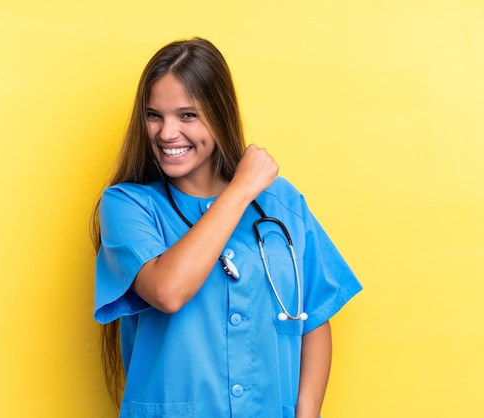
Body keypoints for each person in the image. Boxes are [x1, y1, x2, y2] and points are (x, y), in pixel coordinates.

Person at [92, 37, 362, 418]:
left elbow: (314, 314)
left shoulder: (280, 202)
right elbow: (168, 290)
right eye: (154, 115)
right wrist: (240, 190)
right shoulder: (128, 206)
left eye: (187, 115)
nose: (167, 133)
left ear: (220, 115)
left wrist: (308, 413)